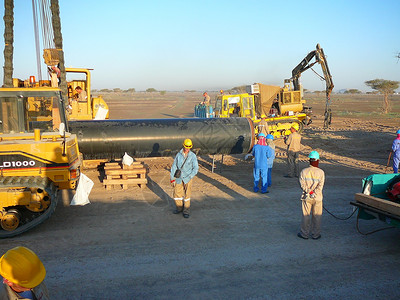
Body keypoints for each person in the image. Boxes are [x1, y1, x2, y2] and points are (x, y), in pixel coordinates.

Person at [297, 151, 325, 240]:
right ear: (317, 161)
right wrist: (314, 193)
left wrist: (309, 192)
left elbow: (302, 185)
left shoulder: (304, 171)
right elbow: (320, 186)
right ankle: (315, 234)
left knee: (306, 215)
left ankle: (304, 234)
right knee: (317, 216)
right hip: (318, 198)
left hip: (306, 197)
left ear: (309, 160)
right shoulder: (321, 172)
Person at [170, 138, 199, 218]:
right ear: (183, 145)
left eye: (189, 147)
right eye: (186, 147)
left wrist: (190, 176)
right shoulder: (178, 155)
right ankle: (179, 208)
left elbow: (196, 168)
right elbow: (174, 166)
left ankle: (186, 211)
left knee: (187, 195)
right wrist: (172, 178)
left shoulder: (192, 156)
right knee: (177, 193)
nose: (187, 149)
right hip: (179, 177)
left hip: (188, 178)